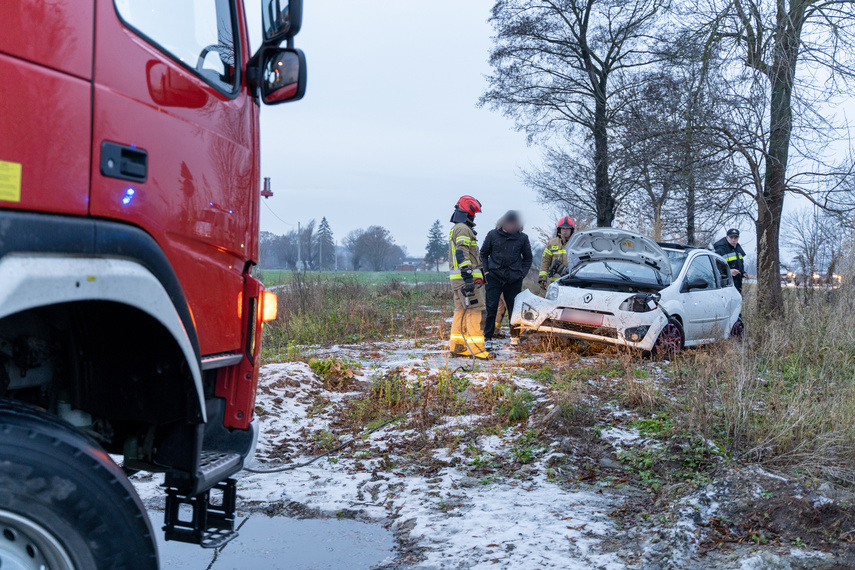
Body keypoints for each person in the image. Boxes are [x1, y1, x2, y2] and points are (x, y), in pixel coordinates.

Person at [480, 210, 533, 347]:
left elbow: (528, 258)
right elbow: (483, 253)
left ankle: (515, 337)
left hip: (514, 278)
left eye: (514, 224)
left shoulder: (522, 238)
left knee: (514, 309)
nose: (511, 227)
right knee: (491, 308)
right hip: (494, 276)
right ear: (503, 223)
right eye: (509, 224)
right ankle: (488, 338)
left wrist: (522, 274)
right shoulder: (492, 235)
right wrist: (486, 271)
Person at [448, 195, 490, 359]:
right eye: (473, 214)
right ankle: (477, 350)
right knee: (476, 312)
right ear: (468, 212)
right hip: (466, 280)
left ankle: (458, 347)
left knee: (461, 311)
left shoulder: (457, 228)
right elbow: (461, 252)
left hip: (458, 281)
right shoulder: (464, 229)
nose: (474, 218)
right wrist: (468, 277)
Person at [539, 216, 575, 289]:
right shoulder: (552, 243)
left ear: (571, 230)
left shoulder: (577, 243)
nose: (565, 230)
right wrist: (542, 278)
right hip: (556, 283)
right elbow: (545, 262)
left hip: (573, 282)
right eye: (563, 228)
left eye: (567, 228)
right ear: (559, 229)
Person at [714, 228, 749, 293]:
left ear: (738, 238)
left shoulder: (738, 249)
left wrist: (743, 273)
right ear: (727, 237)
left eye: (735, 238)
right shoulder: (721, 249)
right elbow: (714, 267)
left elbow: (739, 264)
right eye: (731, 237)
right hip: (725, 286)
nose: (733, 240)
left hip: (737, 283)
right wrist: (728, 272)